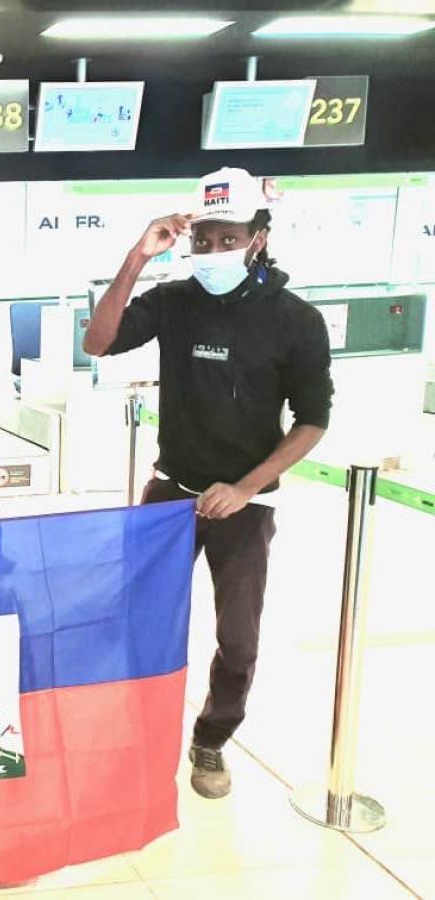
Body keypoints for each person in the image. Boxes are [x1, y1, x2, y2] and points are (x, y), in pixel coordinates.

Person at [83, 167, 334, 800]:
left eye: (229, 239)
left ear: (258, 236)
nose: (214, 252)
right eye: (205, 239)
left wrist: (248, 487)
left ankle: (212, 738)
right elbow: (99, 340)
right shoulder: (175, 301)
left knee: (239, 637)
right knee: (139, 618)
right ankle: (139, 729)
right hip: (172, 491)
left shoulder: (295, 320)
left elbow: (312, 421)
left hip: (245, 503)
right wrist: (139, 257)